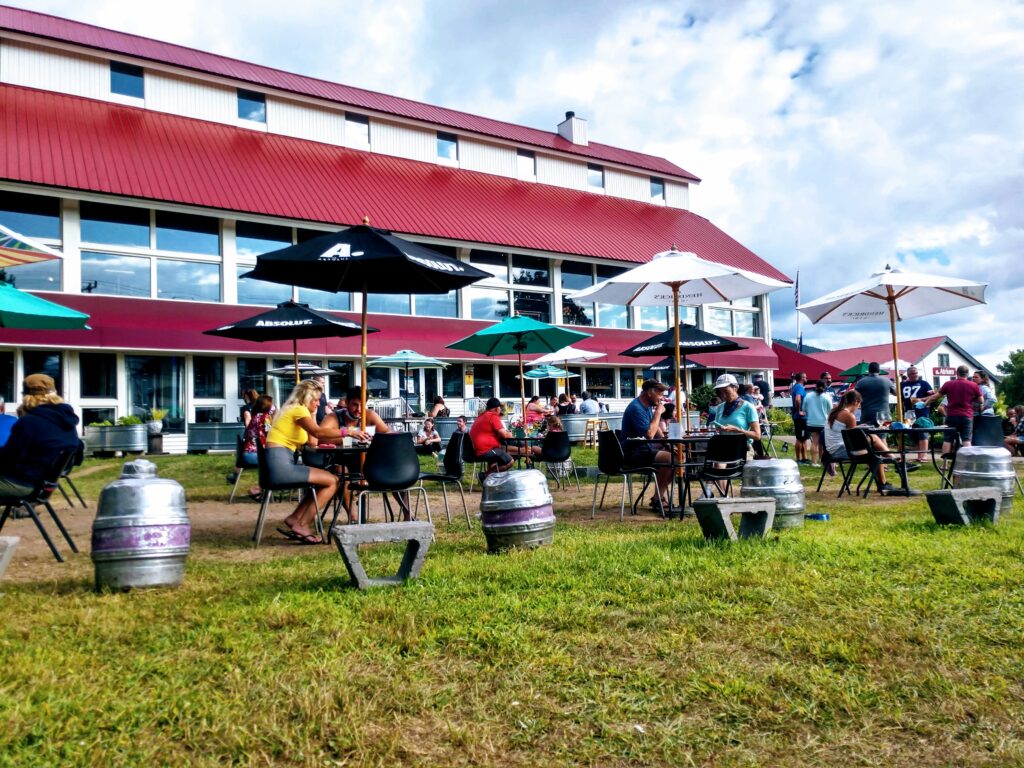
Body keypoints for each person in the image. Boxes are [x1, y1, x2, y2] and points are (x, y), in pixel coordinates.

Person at [265, 380, 353, 543]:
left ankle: (294, 518)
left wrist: (313, 413)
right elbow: (318, 433)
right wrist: (347, 432)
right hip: (281, 467)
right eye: (316, 400)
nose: (319, 403)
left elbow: (313, 442)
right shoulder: (298, 410)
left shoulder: (294, 410)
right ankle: (302, 523)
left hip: (278, 464)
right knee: (333, 481)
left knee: (323, 480)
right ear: (306, 398)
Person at [0, 374, 83, 499]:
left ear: (26, 396)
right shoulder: (66, 421)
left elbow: (10, 458)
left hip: (23, 484)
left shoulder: (29, 422)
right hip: (44, 484)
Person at [824, 389, 900, 493]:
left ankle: (885, 479)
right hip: (841, 451)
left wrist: (858, 427)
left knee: (873, 449)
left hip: (832, 450)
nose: (858, 408)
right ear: (856, 402)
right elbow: (853, 438)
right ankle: (895, 462)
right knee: (873, 441)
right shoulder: (849, 416)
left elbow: (844, 431)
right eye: (859, 405)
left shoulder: (834, 411)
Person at [620, 379, 673, 511]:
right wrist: (658, 413)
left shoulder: (646, 406)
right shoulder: (636, 408)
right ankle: (658, 499)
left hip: (642, 449)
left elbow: (656, 431)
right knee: (671, 459)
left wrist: (667, 444)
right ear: (650, 392)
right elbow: (649, 434)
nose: (662, 398)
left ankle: (658, 497)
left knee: (677, 457)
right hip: (632, 452)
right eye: (660, 394)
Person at [926, 365, 982, 452]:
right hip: (967, 416)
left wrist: (925, 403)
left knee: (948, 439)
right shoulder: (974, 385)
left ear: (957, 373)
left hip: (952, 415)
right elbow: (981, 400)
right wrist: (971, 398)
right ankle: (966, 463)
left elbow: (935, 397)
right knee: (966, 440)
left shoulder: (948, 384)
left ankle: (944, 464)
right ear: (967, 374)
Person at [227, 394, 274, 493]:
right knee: (277, 461)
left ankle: (263, 490)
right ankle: (258, 490)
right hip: (255, 455)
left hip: (247, 454)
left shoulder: (255, 417)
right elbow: (271, 437)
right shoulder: (266, 419)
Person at [708, 374, 763, 451]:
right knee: (717, 462)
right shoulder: (720, 407)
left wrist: (738, 430)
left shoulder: (748, 407)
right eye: (720, 392)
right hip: (724, 448)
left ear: (735, 388)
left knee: (721, 462)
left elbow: (757, 435)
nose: (723, 395)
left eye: (726, 391)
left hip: (743, 448)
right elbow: (717, 430)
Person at [468, 397, 515, 474]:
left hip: (473, 450)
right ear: (497, 408)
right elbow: (505, 435)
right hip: (484, 451)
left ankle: (491, 481)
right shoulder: (493, 416)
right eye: (500, 407)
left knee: (497, 457)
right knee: (510, 461)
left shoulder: (481, 416)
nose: (500, 409)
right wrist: (510, 433)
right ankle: (485, 475)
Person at [900, 366, 934, 462]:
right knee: (912, 434)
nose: (914, 375)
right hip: (908, 412)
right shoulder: (902, 385)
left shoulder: (924, 384)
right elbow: (899, 397)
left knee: (923, 433)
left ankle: (923, 456)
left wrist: (921, 400)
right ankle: (919, 454)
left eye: (915, 373)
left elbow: (932, 396)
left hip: (921, 411)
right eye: (912, 373)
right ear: (908, 375)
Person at [855, 362, 897, 426]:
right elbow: (896, 393)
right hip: (884, 415)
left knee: (868, 434)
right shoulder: (887, 381)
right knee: (882, 434)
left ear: (868, 370)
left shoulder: (861, 382)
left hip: (867, 415)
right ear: (879, 370)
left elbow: (855, 397)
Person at [803, 379, 832, 467]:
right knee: (824, 444)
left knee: (814, 442)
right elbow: (830, 410)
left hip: (811, 423)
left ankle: (814, 462)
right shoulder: (826, 397)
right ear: (825, 387)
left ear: (815, 386)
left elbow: (804, 409)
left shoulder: (808, 396)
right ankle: (823, 461)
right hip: (823, 423)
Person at [790, 372, 810, 465]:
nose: (807, 378)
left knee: (804, 438)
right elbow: (798, 399)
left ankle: (804, 458)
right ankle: (799, 459)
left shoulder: (796, 387)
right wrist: (799, 411)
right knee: (800, 438)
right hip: (800, 418)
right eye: (805, 377)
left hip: (800, 417)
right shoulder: (799, 387)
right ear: (802, 378)